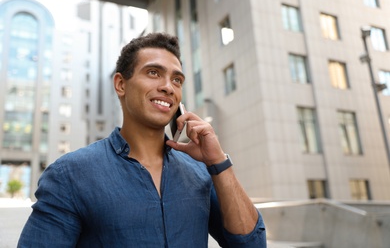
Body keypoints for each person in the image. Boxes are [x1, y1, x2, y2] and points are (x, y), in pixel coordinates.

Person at [18, 32, 266, 247]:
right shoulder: (69, 175)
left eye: (177, 80)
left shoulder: (201, 173)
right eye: (153, 72)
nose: (168, 87)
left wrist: (218, 162)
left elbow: (251, 244)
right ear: (121, 84)